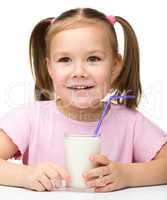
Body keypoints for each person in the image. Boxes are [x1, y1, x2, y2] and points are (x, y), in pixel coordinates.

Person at [0, 7, 167, 193]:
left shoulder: (131, 123)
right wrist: (26, 176)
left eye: (93, 58)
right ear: (49, 67)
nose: (79, 72)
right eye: (65, 59)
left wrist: (128, 175)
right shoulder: (29, 118)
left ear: (115, 66)